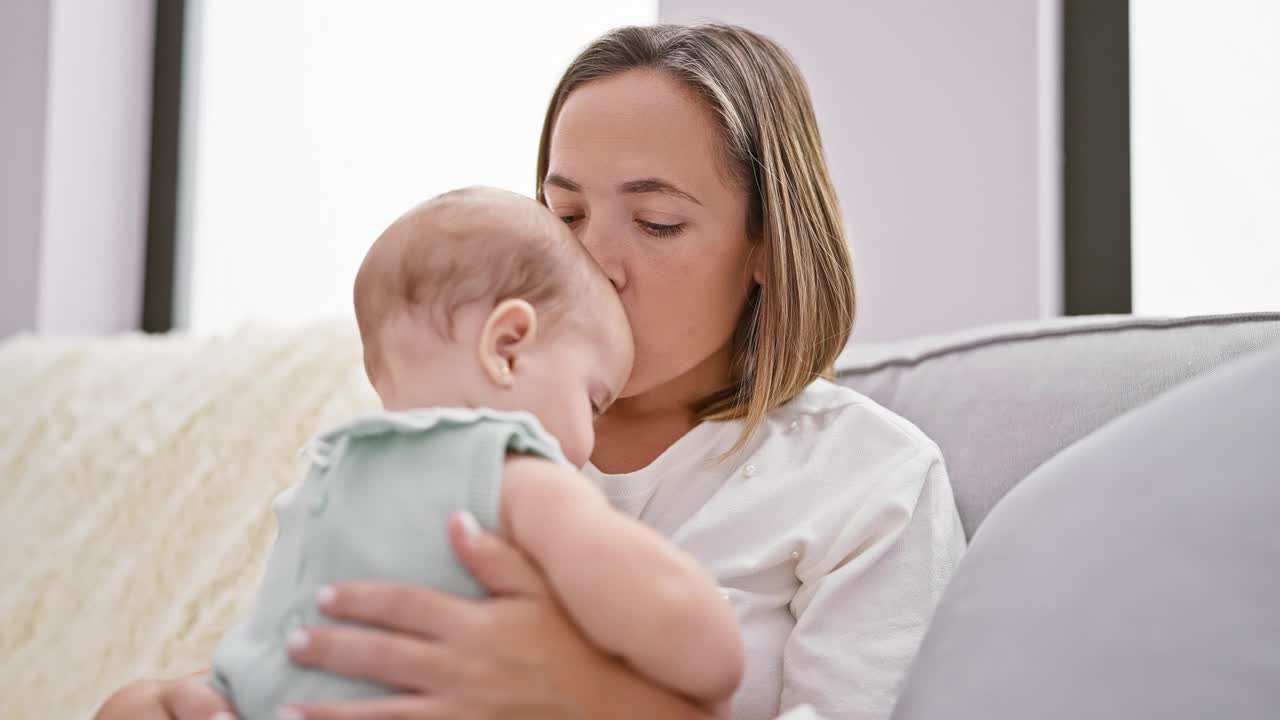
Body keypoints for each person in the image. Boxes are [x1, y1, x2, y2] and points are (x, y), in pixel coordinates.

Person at [96, 22, 965, 720]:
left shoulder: (869, 485)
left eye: (656, 222)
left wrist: (598, 698)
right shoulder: (442, 430)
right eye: (566, 212)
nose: (593, 261)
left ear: (767, 246)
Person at [204, 187, 743, 718]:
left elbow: (251, 668)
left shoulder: (320, 481)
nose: (590, 441)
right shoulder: (509, 473)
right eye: (592, 399)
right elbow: (702, 648)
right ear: (507, 347)